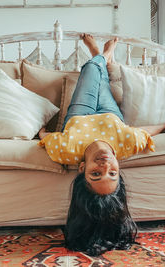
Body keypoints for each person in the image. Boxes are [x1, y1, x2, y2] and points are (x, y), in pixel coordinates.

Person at [38, 34, 165, 255]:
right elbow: (146, 132)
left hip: (80, 112)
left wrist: (40, 132)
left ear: (82, 169)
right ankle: (104, 57)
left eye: (96, 174)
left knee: (89, 70)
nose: (105, 166)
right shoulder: (127, 144)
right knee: (102, 80)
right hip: (109, 114)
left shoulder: (65, 151)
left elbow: (46, 138)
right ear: (118, 167)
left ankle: (99, 54)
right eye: (112, 174)